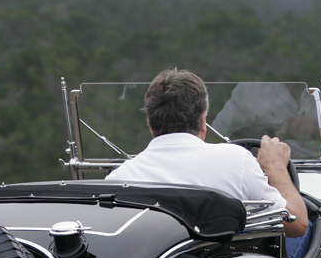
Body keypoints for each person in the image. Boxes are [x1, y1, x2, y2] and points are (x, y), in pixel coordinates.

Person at [109, 68, 309, 240]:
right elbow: (297, 224)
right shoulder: (235, 160)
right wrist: (275, 168)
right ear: (203, 121)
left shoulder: (117, 179)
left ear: (150, 125)